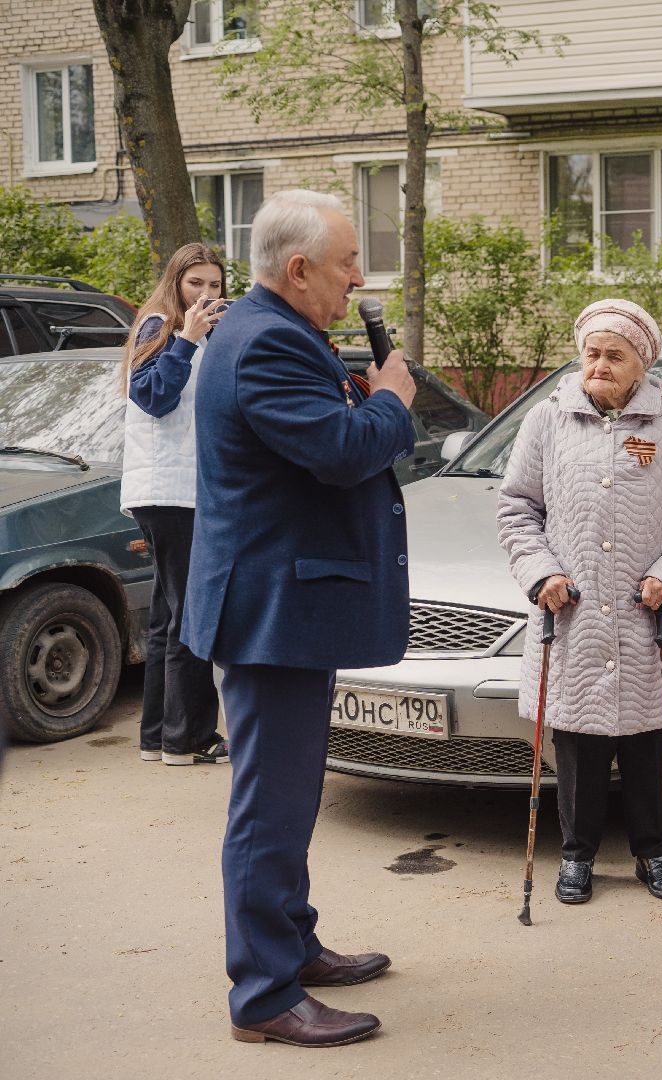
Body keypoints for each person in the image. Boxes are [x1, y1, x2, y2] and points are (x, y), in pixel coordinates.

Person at [181, 189, 417, 1048]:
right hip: (269, 613)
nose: (359, 277)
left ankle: (294, 945)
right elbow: (344, 451)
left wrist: (371, 402)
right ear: (299, 269)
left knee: (291, 794)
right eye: (348, 262)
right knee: (269, 807)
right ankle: (265, 996)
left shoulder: (279, 332)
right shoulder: (266, 345)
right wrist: (390, 397)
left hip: (287, 608)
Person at [497, 299, 662, 905]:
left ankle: (655, 851)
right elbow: (518, 505)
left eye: (614, 355)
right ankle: (577, 855)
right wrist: (541, 571)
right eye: (592, 353)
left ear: (641, 364)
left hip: (646, 612)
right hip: (572, 613)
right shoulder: (548, 418)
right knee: (578, 742)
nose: (599, 365)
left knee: (650, 739)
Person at [119, 242, 230, 766]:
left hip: (180, 490)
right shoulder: (160, 325)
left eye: (214, 284)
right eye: (196, 284)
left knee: (168, 616)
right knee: (192, 614)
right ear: (175, 283)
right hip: (172, 492)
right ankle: (190, 738)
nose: (206, 294)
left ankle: (159, 737)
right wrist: (187, 338)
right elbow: (153, 398)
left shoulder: (203, 333)